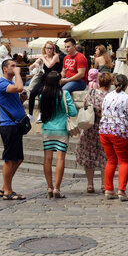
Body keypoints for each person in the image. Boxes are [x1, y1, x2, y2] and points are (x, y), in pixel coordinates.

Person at [99, 74, 128, 201]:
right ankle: (121, 190)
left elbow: (102, 113)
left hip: (105, 129)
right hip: (119, 131)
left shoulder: (107, 96)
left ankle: (108, 189)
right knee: (123, 161)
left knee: (110, 160)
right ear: (126, 85)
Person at [39, 71, 77, 199]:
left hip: (47, 129)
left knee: (47, 159)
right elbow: (73, 111)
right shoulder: (64, 94)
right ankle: (57, 188)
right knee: (60, 159)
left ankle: (49, 187)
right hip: (61, 129)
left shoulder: (42, 95)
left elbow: (42, 111)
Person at [0, 59, 27, 200]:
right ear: (5, 69)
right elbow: (19, 87)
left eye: (16, 66)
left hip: (16, 125)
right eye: (12, 66)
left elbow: (14, 99)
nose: (15, 68)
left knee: (19, 158)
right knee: (9, 159)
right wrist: (18, 74)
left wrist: (22, 100)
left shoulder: (9, 84)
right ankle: (8, 191)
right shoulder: (2, 83)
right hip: (8, 125)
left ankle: (4, 186)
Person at [76, 71, 111, 193]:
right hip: (103, 129)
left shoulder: (91, 92)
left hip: (89, 128)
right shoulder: (109, 97)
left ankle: (90, 184)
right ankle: (104, 184)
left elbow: (85, 105)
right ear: (110, 84)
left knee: (88, 156)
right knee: (104, 157)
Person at [27, 41, 62, 117]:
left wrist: (42, 58)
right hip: (44, 79)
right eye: (48, 48)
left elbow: (49, 65)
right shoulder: (44, 57)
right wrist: (35, 64)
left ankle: (41, 112)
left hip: (53, 79)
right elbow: (30, 67)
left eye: (51, 48)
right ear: (45, 49)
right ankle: (30, 114)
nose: (49, 50)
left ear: (53, 49)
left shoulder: (56, 56)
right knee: (32, 93)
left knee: (41, 93)